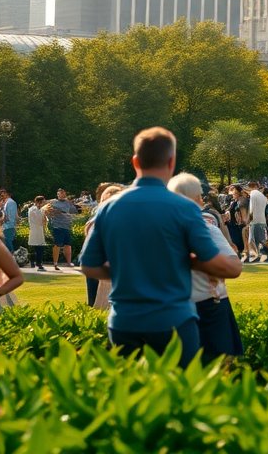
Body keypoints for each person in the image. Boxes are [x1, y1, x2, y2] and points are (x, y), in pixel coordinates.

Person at [80, 128, 242, 366]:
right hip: (173, 319)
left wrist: (129, 274)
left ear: (135, 161)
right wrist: (186, 263)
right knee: (178, 392)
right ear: (171, 161)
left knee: (134, 394)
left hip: (124, 320)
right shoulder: (184, 209)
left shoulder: (109, 208)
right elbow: (224, 268)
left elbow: (89, 265)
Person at [169, 173, 243, 359]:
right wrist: (193, 261)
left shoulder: (159, 231)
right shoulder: (205, 229)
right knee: (217, 369)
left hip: (170, 307)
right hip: (208, 307)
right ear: (196, 198)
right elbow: (234, 267)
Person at [46, 188, 79, 270]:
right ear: (57, 195)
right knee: (57, 245)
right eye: (59, 193)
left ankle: (69, 263)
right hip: (57, 227)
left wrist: (74, 206)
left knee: (68, 245)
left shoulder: (68, 203)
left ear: (65, 194)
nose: (61, 195)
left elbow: (75, 211)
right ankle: (55, 264)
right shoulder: (53, 203)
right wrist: (55, 213)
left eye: (63, 193)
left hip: (67, 227)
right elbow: (47, 212)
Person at [27, 195, 49, 271]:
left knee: (40, 248)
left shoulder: (41, 210)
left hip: (40, 230)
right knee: (36, 247)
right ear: (38, 202)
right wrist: (44, 218)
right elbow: (39, 220)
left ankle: (38, 263)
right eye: (43, 202)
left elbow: (45, 220)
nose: (44, 204)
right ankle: (35, 262)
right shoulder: (32, 209)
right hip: (34, 230)